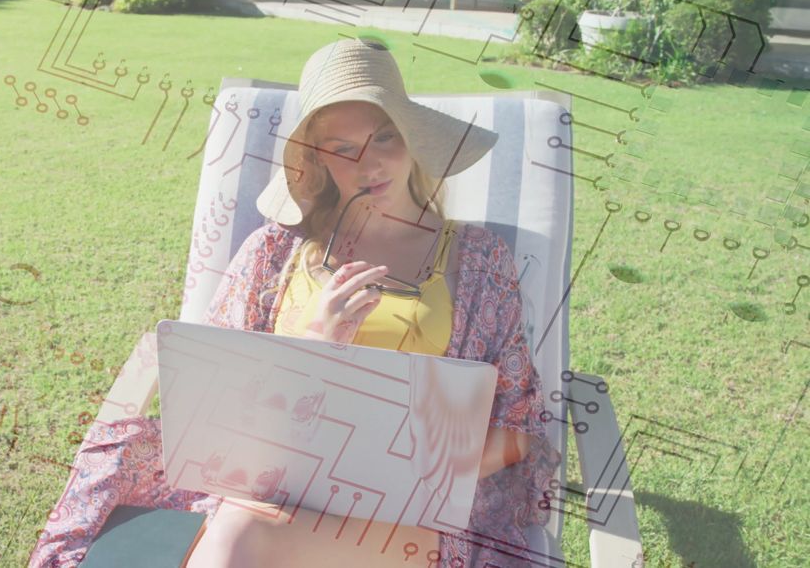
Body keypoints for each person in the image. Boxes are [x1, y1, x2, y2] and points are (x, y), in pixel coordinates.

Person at [28, 37, 561, 568]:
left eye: (384, 138)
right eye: (343, 149)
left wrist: (410, 475)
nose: (370, 164)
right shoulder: (274, 252)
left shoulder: (478, 261)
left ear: (412, 138)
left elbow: (518, 427)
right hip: (274, 494)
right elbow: (211, 400)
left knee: (239, 539)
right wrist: (314, 344)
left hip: (406, 518)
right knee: (239, 528)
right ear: (316, 159)